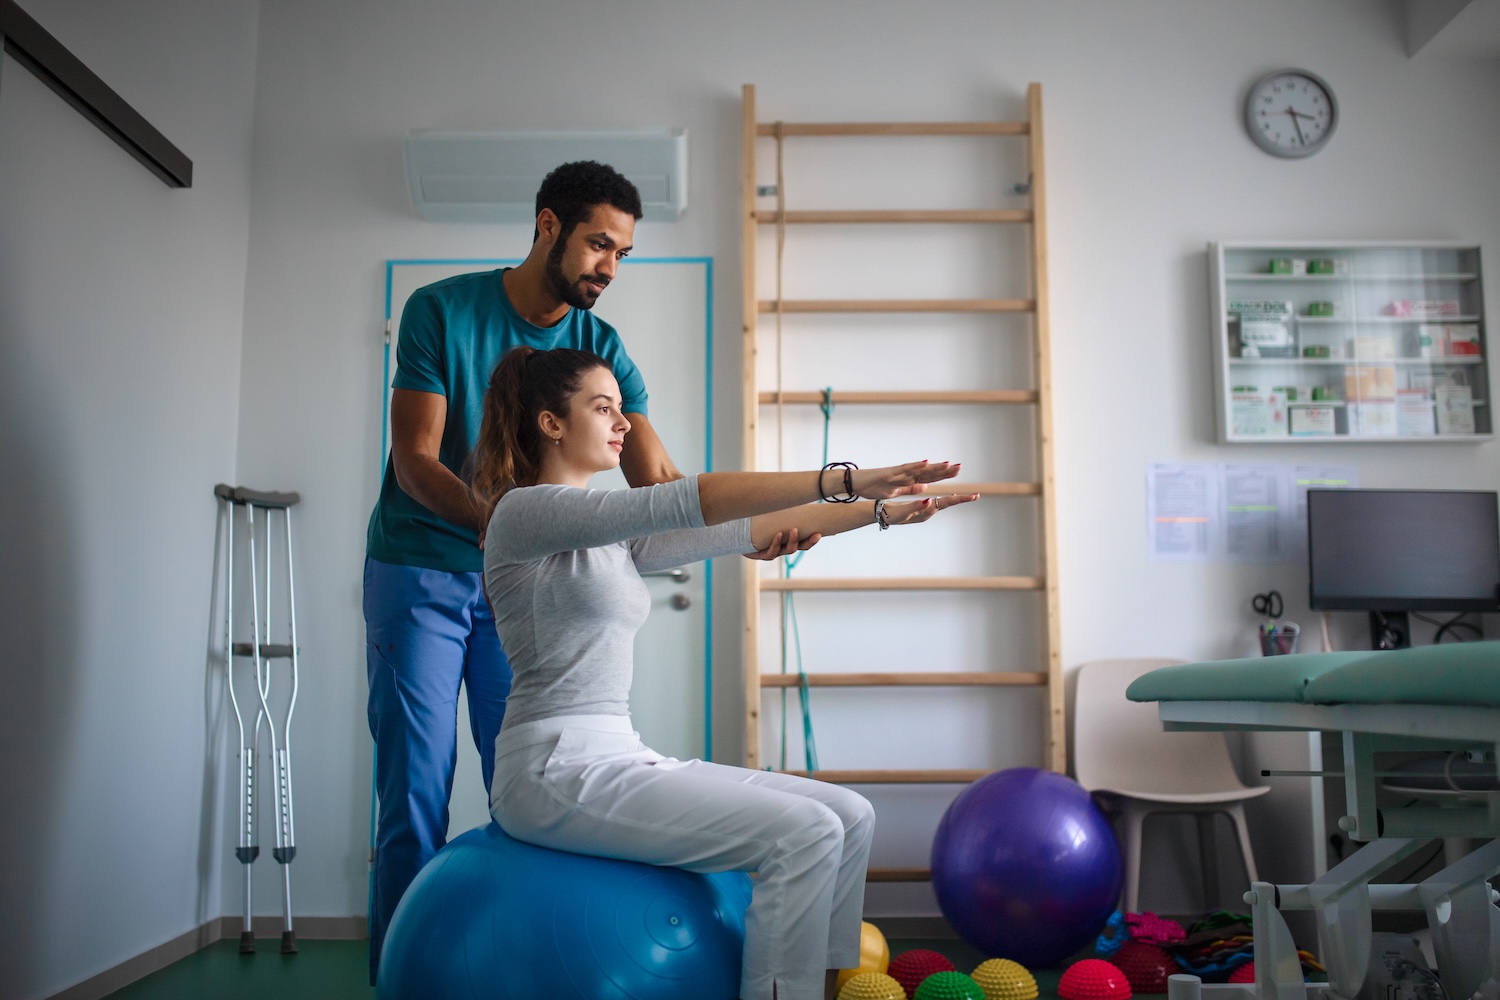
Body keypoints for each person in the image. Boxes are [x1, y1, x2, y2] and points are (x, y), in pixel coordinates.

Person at [362, 160, 809, 980]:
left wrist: (753, 530)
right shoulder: (440, 310)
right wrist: (509, 530)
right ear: (547, 227)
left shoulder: (599, 346)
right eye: (599, 243)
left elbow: (660, 487)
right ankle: (400, 977)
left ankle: (524, 968)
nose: (609, 265)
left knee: (524, 795)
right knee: (415, 796)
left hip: (534, 588)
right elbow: (415, 461)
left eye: (623, 252)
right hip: (422, 566)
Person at [473, 346, 979, 1000]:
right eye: (603, 408)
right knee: (804, 834)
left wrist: (880, 511)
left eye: (622, 409)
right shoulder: (525, 513)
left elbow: (747, 527)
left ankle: (821, 987)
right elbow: (695, 500)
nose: (623, 423)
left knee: (849, 813)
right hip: (552, 767)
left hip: (616, 753)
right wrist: (846, 478)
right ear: (551, 424)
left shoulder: (608, 535)